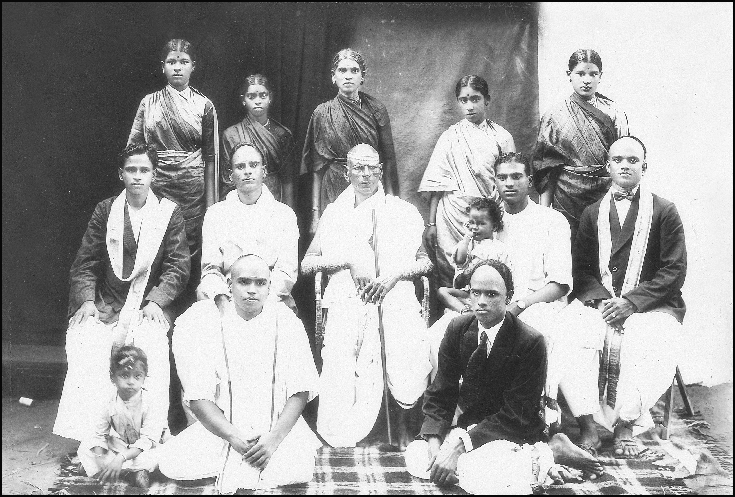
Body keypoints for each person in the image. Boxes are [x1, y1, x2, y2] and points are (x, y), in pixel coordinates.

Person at [405, 259, 603, 493]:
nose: (481, 302)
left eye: (491, 294)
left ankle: (549, 452)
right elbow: (441, 392)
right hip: (470, 429)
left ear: (508, 297)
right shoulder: (457, 328)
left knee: (480, 475)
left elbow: (515, 414)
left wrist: (459, 447)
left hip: (513, 432)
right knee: (417, 457)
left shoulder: (530, 341)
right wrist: (436, 446)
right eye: (475, 293)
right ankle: (537, 464)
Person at [54, 144, 190, 443]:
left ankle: (149, 434)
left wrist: (157, 300)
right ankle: (93, 434)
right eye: (132, 170)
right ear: (121, 174)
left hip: (148, 304)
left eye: (144, 170)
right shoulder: (106, 210)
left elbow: (177, 266)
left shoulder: (169, 213)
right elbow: (86, 262)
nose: (138, 177)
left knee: (151, 341)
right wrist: (87, 300)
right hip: (108, 301)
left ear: (154, 174)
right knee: (86, 337)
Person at [562, 135, 687, 457]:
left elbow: (674, 270)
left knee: (653, 336)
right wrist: (602, 300)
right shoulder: (592, 213)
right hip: (601, 300)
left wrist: (632, 303)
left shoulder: (664, 211)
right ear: (608, 167)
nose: (625, 165)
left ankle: (626, 423)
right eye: (618, 160)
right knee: (570, 330)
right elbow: (582, 269)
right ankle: (587, 422)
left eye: (632, 160)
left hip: (651, 304)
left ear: (644, 167)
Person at [301, 144, 433, 448]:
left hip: (393, 294)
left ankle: (401, 421)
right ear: (346, 173)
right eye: (358, 168)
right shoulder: (335, 213)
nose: (365, 174)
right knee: (345, 343)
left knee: (405, 338)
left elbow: (425, 262)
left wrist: (395, 275)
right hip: (349, 297)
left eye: (371, 167)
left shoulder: (402, 211)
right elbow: (308, 264)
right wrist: (348, 261)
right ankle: (355, 425)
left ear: (381, 171)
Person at [157, 253, 320, 492]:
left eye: (260, 283)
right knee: (172, 464)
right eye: (244, 282)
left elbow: (301, 389)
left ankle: (258, 460)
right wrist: (234, 438)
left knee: (298, 468)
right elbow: (200, 399)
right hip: (224, 433)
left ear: (269, 287)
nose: (252, 290)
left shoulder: (287, 321)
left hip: (276, 431)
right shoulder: (209, 322)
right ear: (229, 285)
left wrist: (272, 441)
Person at [492, 152, 585, 428]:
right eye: (502, 177)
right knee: (443, 334)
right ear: (494, 182)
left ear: (530, 181)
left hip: (539, 305)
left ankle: (537, 421)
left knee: (530, 335)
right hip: (493, 305)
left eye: (516, 176)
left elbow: (559, 284)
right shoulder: (490, 222)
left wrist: (520, 305)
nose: (509, 183)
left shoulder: (551, 221)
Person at [126, 38, 219, 301]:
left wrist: (211, 206)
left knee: (192, 248)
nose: (177, 67)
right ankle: (154, 305)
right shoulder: (149, 103)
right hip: (157, 187)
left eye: (183, 62)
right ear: (162, 67)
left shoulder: (204, 105)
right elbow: (134, 149)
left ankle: (190, 309)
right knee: (157, 245)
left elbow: (211, 157)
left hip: (194, 188)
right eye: (171, 62)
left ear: (193, 67)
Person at [419, 75, 516, 288]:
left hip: (489, 215)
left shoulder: (502, 137)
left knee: (491, 269)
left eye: (475, 99)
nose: (470, 106)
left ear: (487, 100)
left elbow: (510, 179)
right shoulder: (449, 136)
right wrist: (432, 223)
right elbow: (438, 184)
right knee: (453, 273)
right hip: (452, 215)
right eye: (464, 100)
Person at [533, 49, 629, 242]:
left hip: (605, 194)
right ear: (569, 75)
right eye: (580, 74)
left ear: (600, 76)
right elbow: (547, 168)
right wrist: (544, 215)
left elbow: (623, 159)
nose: (587, 80)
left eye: (593, 74)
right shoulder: (555, 115)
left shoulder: (613, 112)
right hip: (566, 197)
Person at [301, 48, 399, 236]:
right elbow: (317, 169)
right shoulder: (322, 113)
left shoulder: (376, 109)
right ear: (333, 76)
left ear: (362, 77)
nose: (348, 76)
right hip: (334, 186)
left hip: (368, 182)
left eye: (354, 71)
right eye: (342, 70)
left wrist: (391, 203)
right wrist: (315, 214)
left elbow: (387, 160)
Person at [198, 143, 299, 310]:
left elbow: (286, 271)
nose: (247, 171)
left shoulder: (284, 215)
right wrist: (223, 300)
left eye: (254, 165)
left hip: (271, 297)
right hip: (226, 297)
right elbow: (211, 269)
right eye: (240, 167)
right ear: (231, 176)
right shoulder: (215, 214)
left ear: (264, 171)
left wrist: (260, 301)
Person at [77, 346, 160, 489]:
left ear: (144, 377)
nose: (131, 381)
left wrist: (120, 458)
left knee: (157, 456)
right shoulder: (108, 402)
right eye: (124, 375)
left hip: (142, 449)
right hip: (120, 445)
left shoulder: (150, 402)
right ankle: (124, 472)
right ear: (113, 377)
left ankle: (131, 471)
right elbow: (99, 434)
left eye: (137, 376)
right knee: (86, 447)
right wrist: (99, 457)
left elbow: (147, 441)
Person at [221, 74, 297, 208]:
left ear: (270, 98)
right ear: (243, 99)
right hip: (241, 198)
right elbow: (227, 179)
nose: (258, 101)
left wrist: (289, 212)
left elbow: (288, 180)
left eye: (263, 95)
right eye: (251, 96)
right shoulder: (231, 134)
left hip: (273, 198)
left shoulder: (282, 134)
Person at [437, 197, 510, 313]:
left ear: (494, 227)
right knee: (442, 291)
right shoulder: (468, 244)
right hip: (468, 293)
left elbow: (503, 276)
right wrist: (466, 237)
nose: (475, 227)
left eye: (481, 223)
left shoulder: (499, 248)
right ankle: (465, 312)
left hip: (488, 293)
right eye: (472, 222)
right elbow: (460, 260)